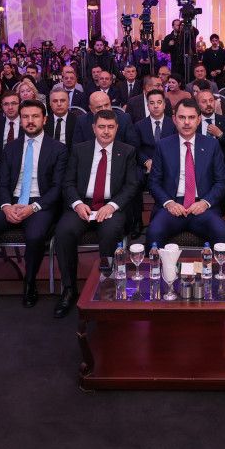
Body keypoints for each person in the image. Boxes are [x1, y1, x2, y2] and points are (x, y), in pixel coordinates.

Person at [0, 99, 67, 314]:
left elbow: (57, 188)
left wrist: (33, 208)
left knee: (35, 236)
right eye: (25, 117)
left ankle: (29, 283)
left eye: (35, 116)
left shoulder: (58, 149)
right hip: (12, 201)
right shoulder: (10, 148)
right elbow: (2, 183)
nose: (30, 121)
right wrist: (7, 206)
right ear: (20, 119)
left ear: (45, 119)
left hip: (40, 203)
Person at [53, 109, 142, 318]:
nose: (106, 131)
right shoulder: (79, 150)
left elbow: (131, 186)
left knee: (110, 233)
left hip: (111, 205)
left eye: (110, 127)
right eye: (101, 127)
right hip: (83, 205)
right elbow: (68, 182)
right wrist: (77, 204)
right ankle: (69, 288)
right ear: (94, 128)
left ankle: (107, 284)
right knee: (64, 232)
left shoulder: (127, 151)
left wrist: (112, 206)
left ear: (117, 128)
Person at [144, 98, 225, 248]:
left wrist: (205, 203)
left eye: (191, 117)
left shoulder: (212, 145)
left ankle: (218, 265)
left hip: (202, 206)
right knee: (154, 232)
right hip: (172, 206)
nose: (186, 122)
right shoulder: (163, 146)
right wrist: (169, 203)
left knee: (221, 231)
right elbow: (154, 182)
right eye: (182, 117)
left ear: (198, 120)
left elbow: (221, 181)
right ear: (174, 119)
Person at [134, 89, 176, 170]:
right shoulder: (139, 125)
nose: (156, 106)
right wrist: (146, 161)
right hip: (146, 168)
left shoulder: (174, 124)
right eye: (152, 103)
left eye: (159, 102)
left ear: (164, 105)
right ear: (147, 106)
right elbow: (136, 148)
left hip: (170, 166)